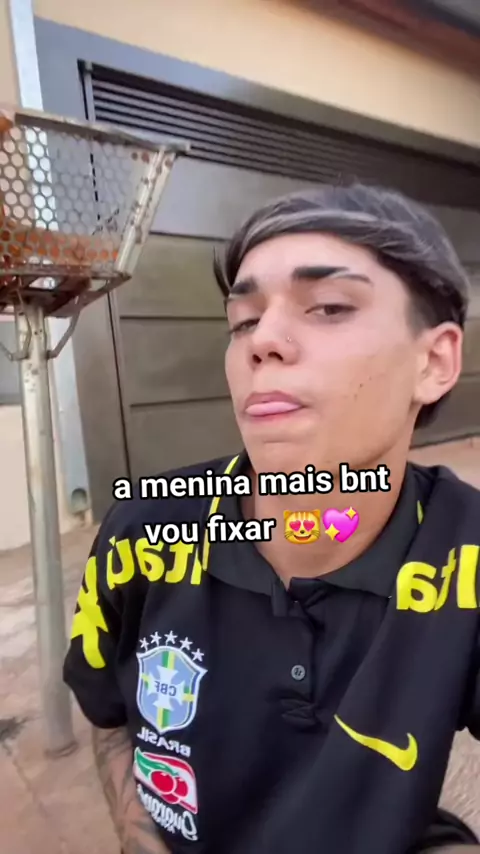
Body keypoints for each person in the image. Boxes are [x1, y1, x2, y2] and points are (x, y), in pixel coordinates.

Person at [63, 182, 480, 854]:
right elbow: (108, 713)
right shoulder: (143, 535)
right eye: (244, 321)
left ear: (433, 362)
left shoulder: (465, 553)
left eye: (329, 307)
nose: (264, 342)